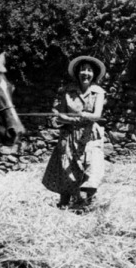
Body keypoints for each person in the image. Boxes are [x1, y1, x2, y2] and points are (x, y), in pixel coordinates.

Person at [42, 56, 106, 209]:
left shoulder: (98, 92)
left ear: (94, 74)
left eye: (89, 70)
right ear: (78, 73)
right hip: (70, 136)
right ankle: (64, 204)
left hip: (89, 135)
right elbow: (61, 115)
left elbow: (97, 114)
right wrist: (61, 117)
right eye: (83, 70)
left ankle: (87, 202)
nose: (86, 73)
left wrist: (86, 115)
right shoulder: (67, 92)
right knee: (67, 168)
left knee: (92, 166)